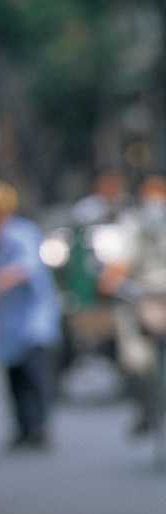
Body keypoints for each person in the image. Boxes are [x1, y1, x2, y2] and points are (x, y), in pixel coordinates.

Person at [0, 179, 61, 450]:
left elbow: (26, 268)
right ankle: (23, 427)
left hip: (32, 318)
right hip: (8, 321)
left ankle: (38, 427)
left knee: (34, 376)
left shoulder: (21, 233)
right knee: (14, 377)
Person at [98, 174, 166, 434]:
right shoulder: (130, 225)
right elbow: (118, 265)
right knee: (134, 359)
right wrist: (113, 282)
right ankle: (144, 405)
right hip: (141, 300)